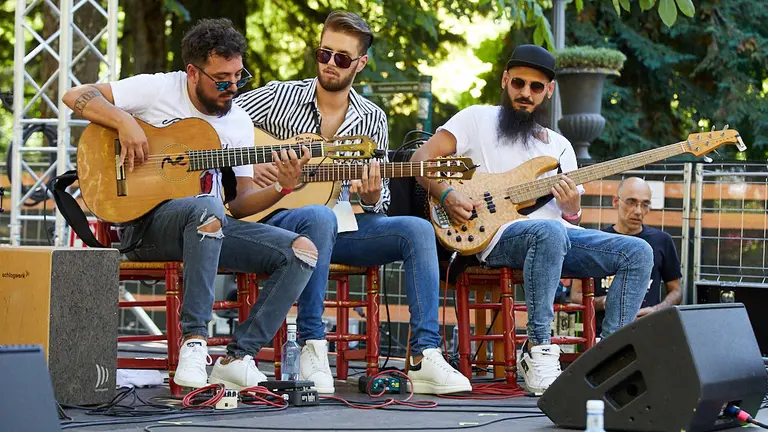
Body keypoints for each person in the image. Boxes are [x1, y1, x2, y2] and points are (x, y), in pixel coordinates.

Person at [62, 18, 317, 390]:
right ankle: (195, 342)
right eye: (222, 79)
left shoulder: (239, 122)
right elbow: (75, 94)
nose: (233, 87)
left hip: (211, 227)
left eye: (238, 76)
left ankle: (238, 357)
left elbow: (239, 203)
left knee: (301, 251)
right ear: (193, 73)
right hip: (147, 227)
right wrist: (124, 122)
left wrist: (283, 187)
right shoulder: (158, 89)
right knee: (207, 209)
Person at [234, 11, 471, 395]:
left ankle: (425, 355)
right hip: (276, 221)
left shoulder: (372, 119)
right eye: (323, 54)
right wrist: (253, 166)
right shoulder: (279, 96)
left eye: (341, 58)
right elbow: (222, 121)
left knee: (416, 229)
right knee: (318, 216)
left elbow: (380, 202)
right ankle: (313, 344)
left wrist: (373, 195)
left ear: (360, 63)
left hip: (341, 226)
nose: (330, 63)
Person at [411, 44, 654, 393]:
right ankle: (538, 348)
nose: (526, 93)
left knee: (639, 252)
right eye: (519, 83)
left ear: (548, 91)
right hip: (496, 235)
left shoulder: (559, 145)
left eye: (536, 87)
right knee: (548, 231)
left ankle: (608, 356)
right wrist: (447, 195)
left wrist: (572, 209)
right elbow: (420, 159)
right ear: (505, 81)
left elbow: (571, 220)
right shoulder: (474, 119)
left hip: (558, 237)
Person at [571, 177, 683, 335]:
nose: (638, 211)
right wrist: (603, 302)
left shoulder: (662, 241)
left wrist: (657, 311)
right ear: (615, 201)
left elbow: (676, 291)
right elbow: (575, 295)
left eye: (645, 204)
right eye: (631, 202)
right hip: (601, 335)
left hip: (647, 331)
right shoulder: (596, 241)